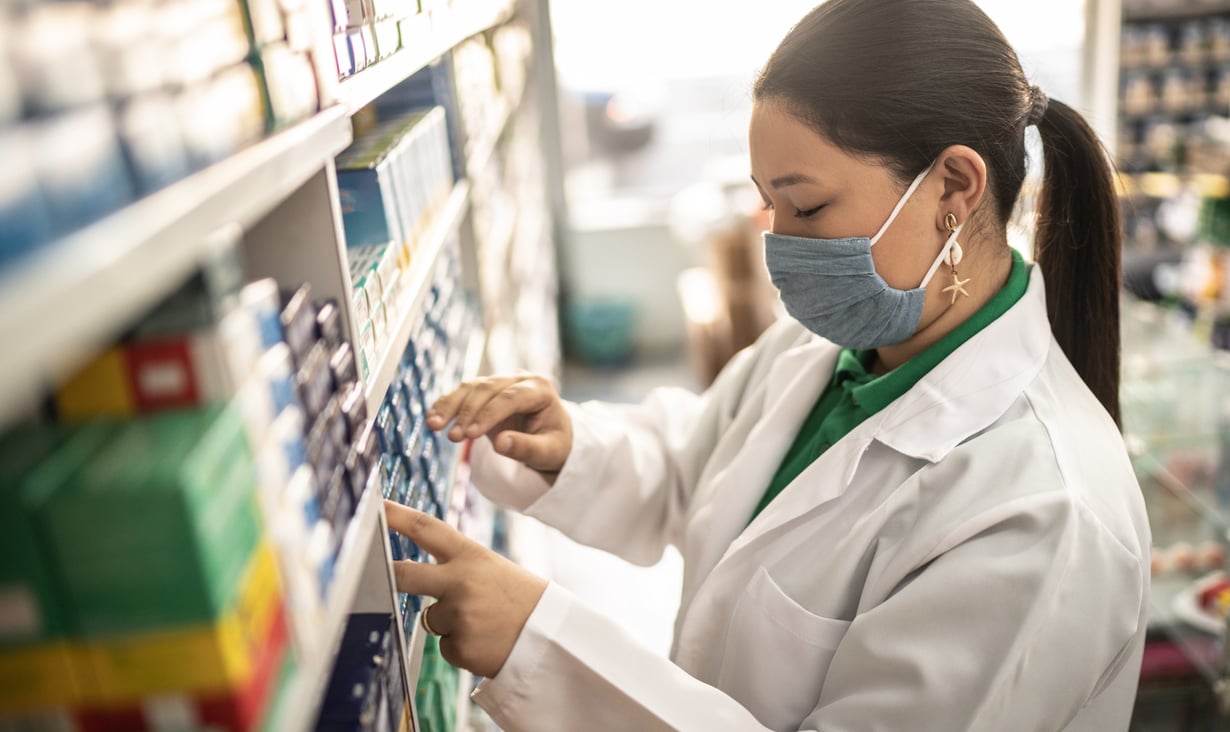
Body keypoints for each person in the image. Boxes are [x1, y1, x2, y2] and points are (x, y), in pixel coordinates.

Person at [384, 0, 1151, 729]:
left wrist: (541, 647)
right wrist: (569, 448)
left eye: (807, 207)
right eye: (769, 205)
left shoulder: (1040, 512)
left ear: (954, 185)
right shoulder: (833, 345)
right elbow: (697, 465)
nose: (779, 245)